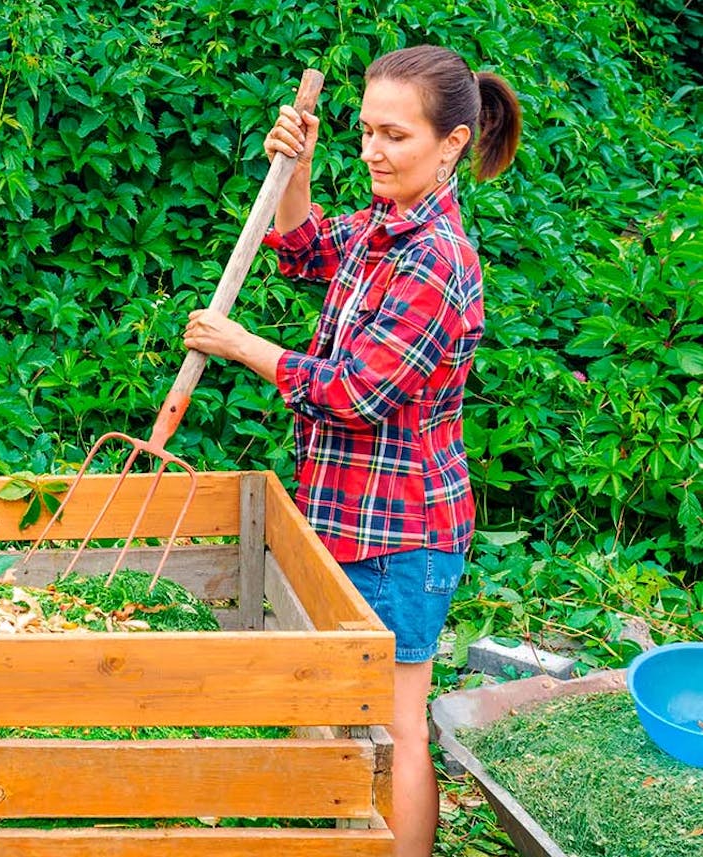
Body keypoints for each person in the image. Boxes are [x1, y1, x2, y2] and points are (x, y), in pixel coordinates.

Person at [182, 45, 521, 856]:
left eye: (395, 136)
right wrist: (293, 169)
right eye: (366, 132)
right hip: (343, 513)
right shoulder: (381, 227)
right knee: (339, 707)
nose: (372, 150)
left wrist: (244, 346)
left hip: (403, 535)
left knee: (399, 725)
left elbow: (355, 394)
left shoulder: (436, 260)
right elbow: (300, 247)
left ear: (450, 146)